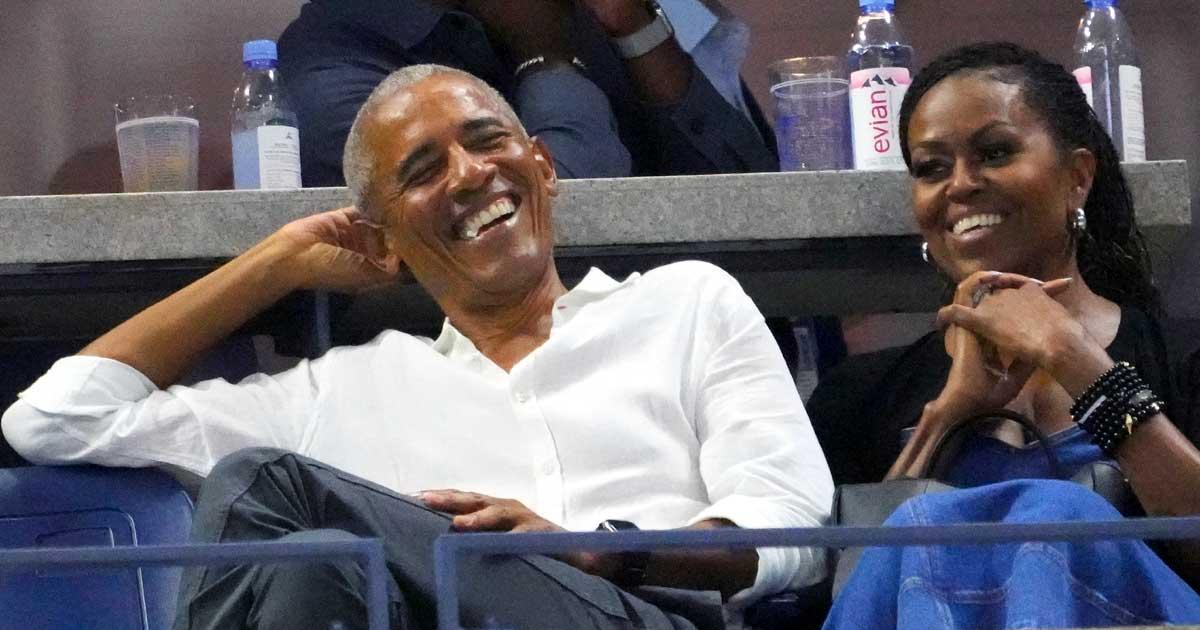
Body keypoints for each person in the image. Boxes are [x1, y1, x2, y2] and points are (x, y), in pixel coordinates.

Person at [1, 64, 832, 629]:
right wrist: (273, 263)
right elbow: (54, 420)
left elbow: (790, 530)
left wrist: (603, 549)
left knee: (263, 484)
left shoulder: (686, 303)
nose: (469, 174)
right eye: (424, 171)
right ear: (383, 240)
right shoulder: (339, 391)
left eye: (488, 140)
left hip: (643, 612)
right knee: (312, 563)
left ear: (543, 167)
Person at [805, 42, 1200, 627]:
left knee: (1055, 513)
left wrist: (1076, 360)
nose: (960, 185)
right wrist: (947, 418)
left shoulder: (1184, 358)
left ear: (1078, 178)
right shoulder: (858, 396)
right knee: (923, 525)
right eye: (932, 168)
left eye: (995, 152)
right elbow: (852, 592)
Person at [277, 0, 778, 186]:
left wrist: (634, 26)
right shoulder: (335, 52)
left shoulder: (585, 14)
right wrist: (543, 53)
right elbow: (546, 236)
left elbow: (755, 204)